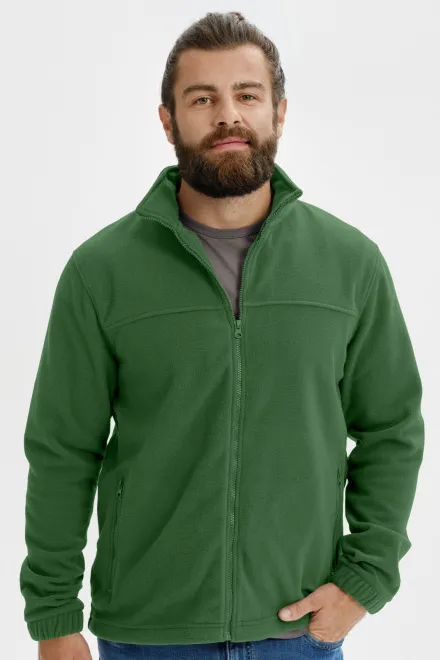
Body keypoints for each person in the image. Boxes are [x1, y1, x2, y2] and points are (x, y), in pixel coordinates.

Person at [19, 11, 424, 660]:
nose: (227, 115)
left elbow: (392, 428)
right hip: (147, 634)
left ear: (279, 113)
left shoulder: (350, 264)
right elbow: (63, 450)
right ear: (168, 120)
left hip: (297, 629)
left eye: (247, 95)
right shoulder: (101, 272)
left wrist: (366, 577)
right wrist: (54, 617)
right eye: (202, 98)